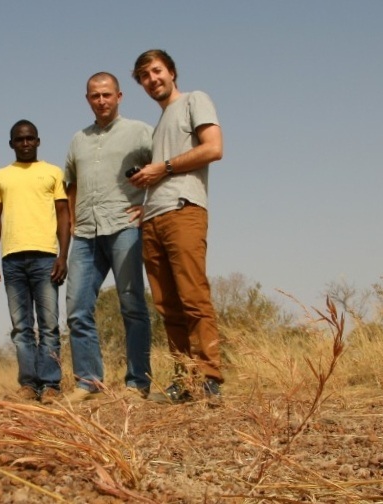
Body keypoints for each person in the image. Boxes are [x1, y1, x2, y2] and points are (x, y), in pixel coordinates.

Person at [129, 49, 224, 403]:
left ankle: (209, 376)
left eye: (156, 71)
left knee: (193, 296)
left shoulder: (194, 101)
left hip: (184, 210)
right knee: (167, 305)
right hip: (153, 217)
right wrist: (146, 202)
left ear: (171, 71)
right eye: (144, 76)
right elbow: (160, 173)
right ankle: (186, 380)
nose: (152, 79)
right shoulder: (158, 126)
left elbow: (214, 148)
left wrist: (162, 168)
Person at [64, 72, 153, 402]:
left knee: (131, 304)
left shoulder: (141, 132)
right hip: (85, 232)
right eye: (94, 96)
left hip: (124, 226)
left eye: (106, 95)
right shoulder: (78, 139)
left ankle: (137, 383)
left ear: (119, 96)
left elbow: (163, 169)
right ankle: (89, 382)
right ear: (87, 99)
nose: (101, 101)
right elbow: (70, 181)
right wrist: (73, 217)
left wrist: (149, 206)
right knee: (76, 308)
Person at [0, 119, 71, 405]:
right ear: (11, 144)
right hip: (11, 259)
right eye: (19, 140)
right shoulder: (0, 176)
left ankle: (50, 385)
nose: (25, 144)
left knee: (48, 324)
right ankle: (28, 385)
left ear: (38, 141)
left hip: (46, 257)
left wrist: (63, 255)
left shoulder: (53, 173)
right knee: (21, 327)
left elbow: (63, 214)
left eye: (30, 139)